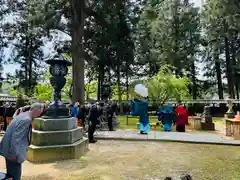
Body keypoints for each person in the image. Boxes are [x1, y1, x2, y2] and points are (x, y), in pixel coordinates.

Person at [0, 103, 44, 180]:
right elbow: (16, 138)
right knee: (15, 176)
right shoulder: (26, 119)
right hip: (13, 153)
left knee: (11, 175)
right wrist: (13, 154)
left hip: (8, 150)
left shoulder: (21, 115)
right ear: (37, 110)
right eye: (40, 111)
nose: (40, 114)